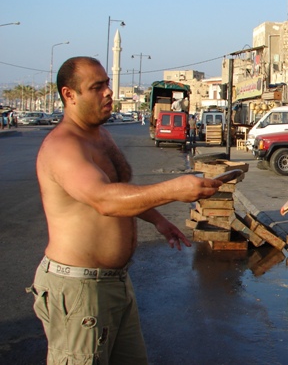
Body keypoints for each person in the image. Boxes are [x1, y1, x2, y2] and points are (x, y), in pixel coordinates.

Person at [28, 56, 225, 364]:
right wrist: (174, 190)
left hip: (115, 283)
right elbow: (104, 199)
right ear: (70, 95)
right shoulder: (63, 147)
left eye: (107, 83)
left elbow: (122, 192)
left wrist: (158, 220)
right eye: (96, 87)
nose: (108, 92)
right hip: (79, 289)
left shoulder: (102, 136)